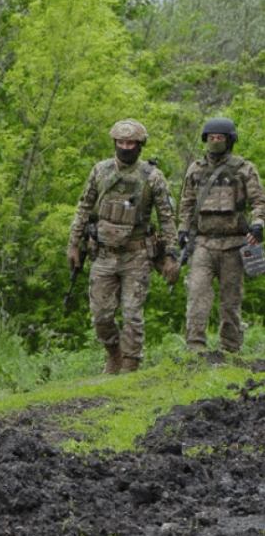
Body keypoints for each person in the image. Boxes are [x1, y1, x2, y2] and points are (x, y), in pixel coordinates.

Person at [64, 120, 178, 374]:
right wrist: (73, 244)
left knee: (132, 315)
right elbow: (84, 208)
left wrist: (171, 255)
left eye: (130, 143)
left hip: (136, 255)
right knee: (101, 315)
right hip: (103, 254)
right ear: (115, 143)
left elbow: (167, 217)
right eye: (121, 143)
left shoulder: (152, 177)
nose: (125, 147)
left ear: (140, 146)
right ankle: (113, 354)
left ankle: (130, 365)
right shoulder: (100, 172)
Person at [179, 117, 265, 355]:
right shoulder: (196, 169)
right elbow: (186, 203)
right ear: (205, 140)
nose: (215, 142)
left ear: (230, 140)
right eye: (212, 138)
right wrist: (183, 230)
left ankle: (230, 349)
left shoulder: (243, 168)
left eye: (220, 138)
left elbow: (259, 201)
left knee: (230, 301)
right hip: (204, 243)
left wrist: (258, 225)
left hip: (234, 243)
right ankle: (195, 348)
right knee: (197, 296)